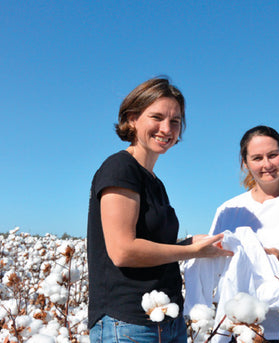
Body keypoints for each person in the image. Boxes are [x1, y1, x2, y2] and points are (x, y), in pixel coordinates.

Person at [87, 77, 233, 343]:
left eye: (175, 121)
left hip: (166, 321)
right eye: (157, 117)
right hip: (129, 323)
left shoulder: (153, 181)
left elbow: (152, 246)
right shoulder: (120, 169)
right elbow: (123, 251)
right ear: (132, 119)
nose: (167, 128)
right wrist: (190, 251)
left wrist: (190, 242)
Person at [209, 125, 279, 342]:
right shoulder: (228, 211)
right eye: (257, 158)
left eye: (273, 155)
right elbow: (213, 268)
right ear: (245, 163)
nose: (267, 164)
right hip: (237, 332)